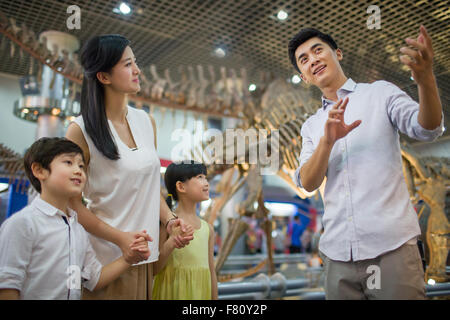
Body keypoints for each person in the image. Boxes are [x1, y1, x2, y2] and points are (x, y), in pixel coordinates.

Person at [288, 26, 443, 299]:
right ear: (304, 77)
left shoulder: (380, 93)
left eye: (317, 50)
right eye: (304, 59)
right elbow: (307, 182)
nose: (312, 59)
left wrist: (425, 79)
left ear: (337, 53)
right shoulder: (311, 126)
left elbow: (427, 129)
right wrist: (327, 141)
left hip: (392, 248)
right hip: (338, 257)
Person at [65, 34, 193, 299]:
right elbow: (73, 204)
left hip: (144, 257)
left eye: (135, 62)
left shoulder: (146, 121)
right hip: (106, 260)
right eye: (127, 64)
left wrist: (169, 220)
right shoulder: (80, 130)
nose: (137, 70)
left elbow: (150, 188)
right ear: (104, 76)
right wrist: (120, 238)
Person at [0, 138, 144, 299]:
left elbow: (94, 278)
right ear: (39, 171)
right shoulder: (23, 224)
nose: (78, 170)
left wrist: (129, 258)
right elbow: (7, 285)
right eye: (68, 162)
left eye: (81, 165)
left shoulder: (77, 229)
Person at [152, 161, 218, 300]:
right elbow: (154, 269)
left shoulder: (208, 229)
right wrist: (171, 243)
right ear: (181, 186)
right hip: (172, 292)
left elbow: (211, 271)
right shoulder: (168, 223)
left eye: (205, 177)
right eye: (200, 177)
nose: (206, 182)